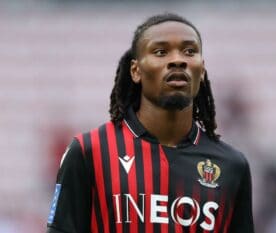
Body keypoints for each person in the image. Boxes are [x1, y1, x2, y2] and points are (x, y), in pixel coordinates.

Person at [46, 13, 254, 233]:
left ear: (201, 70)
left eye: (189, 51)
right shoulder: (90, 151)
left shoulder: (232, 165)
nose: (177, 60)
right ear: (136, 71)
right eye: (161, 52)